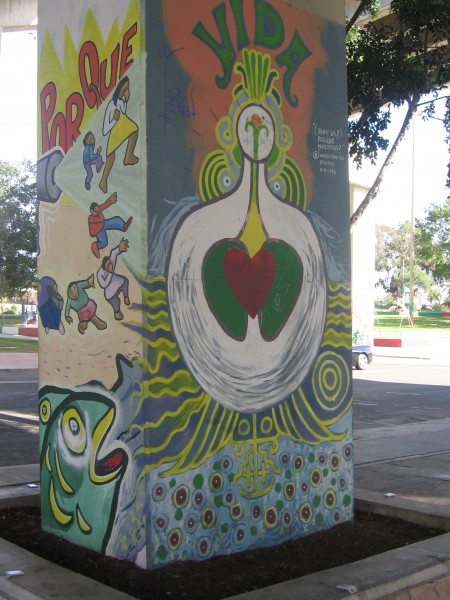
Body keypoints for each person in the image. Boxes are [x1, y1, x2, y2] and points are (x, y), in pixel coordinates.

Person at [99, 76, 139, 193]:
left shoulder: (121, 103)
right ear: (119, 89)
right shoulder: (112, 105)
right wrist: (115, 120)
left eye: (127, 89)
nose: (126, 92)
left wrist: (126, 101)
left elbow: (123, 117)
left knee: (134, 129)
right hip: (114, 132)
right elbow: (105, 130)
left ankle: (128, 157)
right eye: (125, 89)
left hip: (121, 129)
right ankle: (103, 181)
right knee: (110, 157)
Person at [88, 191, 132, 258]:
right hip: (98, 231)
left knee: (116, 220)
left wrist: (110, 201)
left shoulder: (98, 210)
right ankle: (95, 246)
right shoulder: (91, 218)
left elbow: (103, 206)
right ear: (92, 211)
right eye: (96, 211)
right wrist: (100, 215)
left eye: (98, 210)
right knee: (104, 243)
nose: (98, 212)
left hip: (103, 224)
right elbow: (99, 219)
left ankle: (123, 226)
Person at [97, 238, 130, 320]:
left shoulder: (111, 262)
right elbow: (103, 285)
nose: (110, 265)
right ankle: (117, 312)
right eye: (108, 265)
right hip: (110, 292)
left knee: (125, 281)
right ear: (104, 267)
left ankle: (126, 296)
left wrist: (119, 248)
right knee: (116, 301)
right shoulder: (100, 273)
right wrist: (110, 273)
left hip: (117, 281)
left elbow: (113, 253)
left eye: (110, 263)